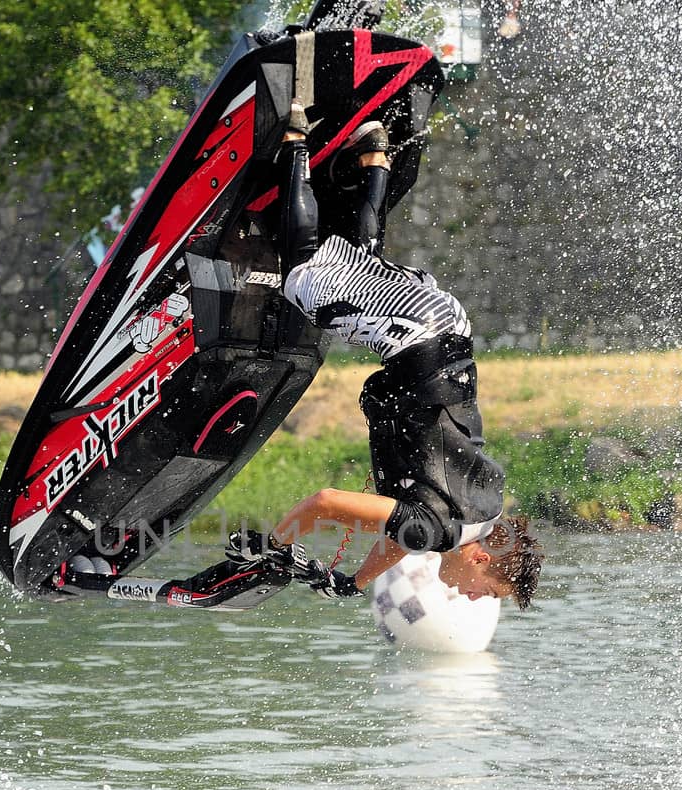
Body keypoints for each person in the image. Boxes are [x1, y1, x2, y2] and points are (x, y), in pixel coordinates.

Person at [231, 100, 543, 608]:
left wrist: (351, 583)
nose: (469, 597)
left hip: (448, 330)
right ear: (482, 560)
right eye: (485, 593)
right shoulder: (438, 530)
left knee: (358, 264)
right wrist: (273, 548)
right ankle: (294, 139)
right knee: (301, 280)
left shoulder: (484, 510)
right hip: (414, 335)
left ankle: (375, 156)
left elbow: (403, 535)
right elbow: (325, 503)